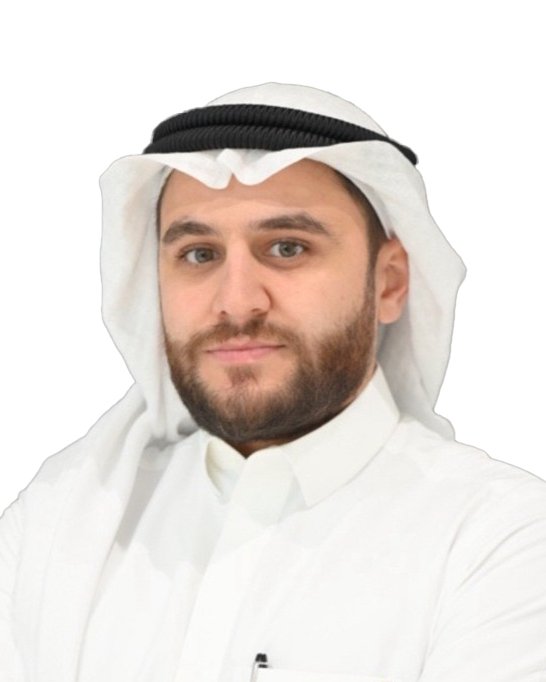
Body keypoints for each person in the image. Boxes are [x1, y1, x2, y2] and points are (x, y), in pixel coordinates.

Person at [1, 83, 545, 681]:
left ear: (389, 282)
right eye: (199, 255)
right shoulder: (57, 526)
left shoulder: (501, 542)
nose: (236, 302)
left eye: (287, 248)